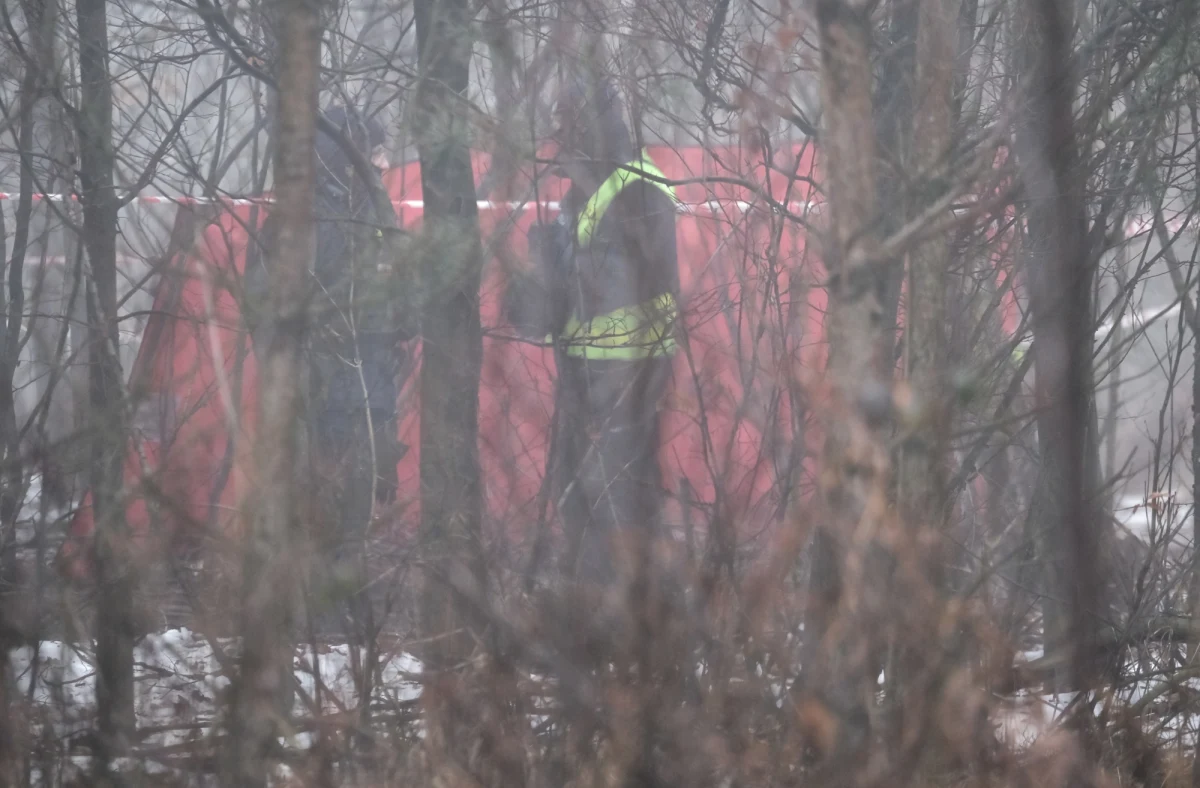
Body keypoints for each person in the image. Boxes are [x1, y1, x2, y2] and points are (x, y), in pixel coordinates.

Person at [244, 104, 413, 639]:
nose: (384, 162)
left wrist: (406, 317)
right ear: (347, 158)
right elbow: (264, 305)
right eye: (375, 151)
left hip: (371, 395)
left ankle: (348, 621)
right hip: (319, 397)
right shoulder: (303, 221)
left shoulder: (378, 215)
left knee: (360, 514)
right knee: (320, 509)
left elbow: (399, 299)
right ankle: (319, 628)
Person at [504, 73, 680, 583]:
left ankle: (621, 615)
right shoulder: (591, 190)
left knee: (612, 498)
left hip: (624, 373)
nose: (560, 135)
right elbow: (555, 302)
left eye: (566, 123)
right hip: (591, 371)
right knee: (582, 493)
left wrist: (553, 261)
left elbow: (612, 287)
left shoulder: (636, 187)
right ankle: (599, 605)